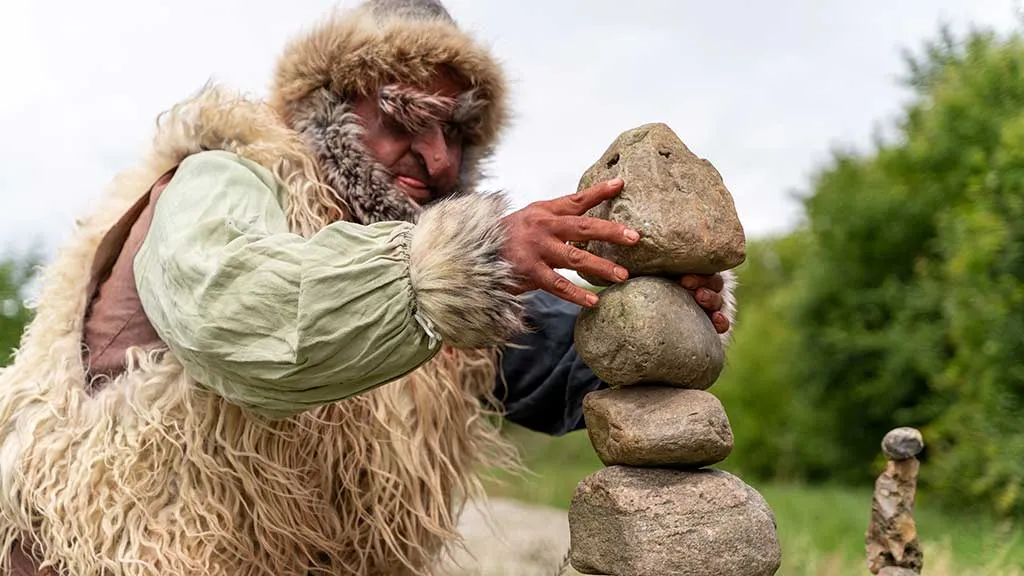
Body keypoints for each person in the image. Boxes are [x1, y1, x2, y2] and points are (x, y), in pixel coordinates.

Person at [0, 1, 737, 574]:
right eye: (405, 120)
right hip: (94, 557)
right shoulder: (222, 177)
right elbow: (236, 316)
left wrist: (665, 309)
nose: (439, 159)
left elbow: (564, 360)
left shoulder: (443, 263)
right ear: (329, 107)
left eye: (459, 132)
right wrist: (466, 260)